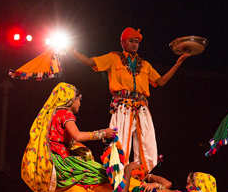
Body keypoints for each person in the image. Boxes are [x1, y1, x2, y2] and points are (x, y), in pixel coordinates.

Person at [69, 27, 189, 173]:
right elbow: (89, 62)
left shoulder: (144, 64)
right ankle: (118, 177)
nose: (135, 44)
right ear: (122, 43)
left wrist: (178, 63)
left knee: (147, 144)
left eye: (137, 42)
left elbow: (161, 81)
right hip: (122, 106)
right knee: (120, 143)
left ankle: (140, 176)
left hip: (142, 107)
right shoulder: (113, 58)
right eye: (131, 41)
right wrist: (72, 50)